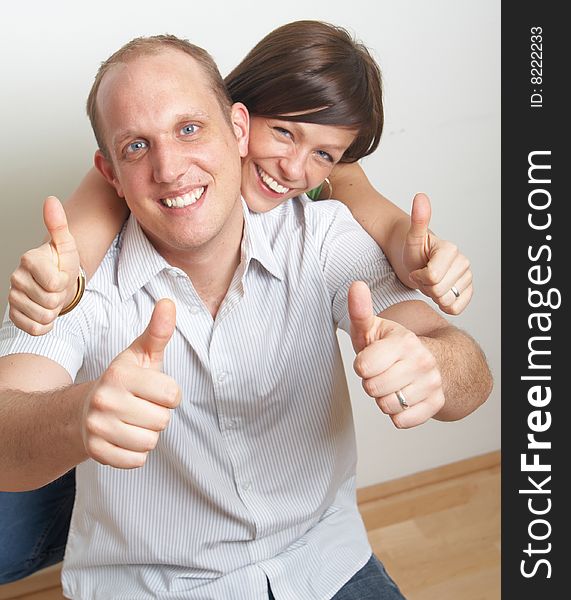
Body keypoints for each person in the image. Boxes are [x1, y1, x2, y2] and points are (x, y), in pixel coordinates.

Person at [0, 34, 491, 598]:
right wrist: (79, 413)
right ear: (109, 173)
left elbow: (464, 367)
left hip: (320, 560)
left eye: (189, 129)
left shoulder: (322, 235)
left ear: (235, 129)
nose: (170, 168)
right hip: (155, 585)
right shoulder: (69, 277)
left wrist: (432, 362)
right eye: (136, 147)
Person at [7, 21, 472, 344]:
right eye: (284, 133)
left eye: (322, 155)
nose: (293, 168)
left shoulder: (318, 184)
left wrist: (414, 253)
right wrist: (65, 277)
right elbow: (90, 216)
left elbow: (363, 198)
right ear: (239, 121)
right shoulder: (164, 163)